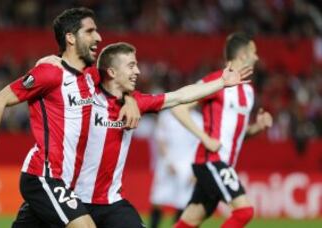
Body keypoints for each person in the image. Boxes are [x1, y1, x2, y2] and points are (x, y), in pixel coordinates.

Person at [38, 41, 252, 228]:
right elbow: (63, 73)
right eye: (131, 65)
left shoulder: (137, 102)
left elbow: (178, 97)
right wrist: (50, 61)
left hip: (111, 202)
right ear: (112, 72)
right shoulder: (83, 94)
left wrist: (221, 83)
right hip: (73, 199)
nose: (138, 71)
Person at [0, 7, 141, 228]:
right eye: (90, 31)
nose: (98, 37)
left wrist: (130, 100)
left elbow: (120, 84)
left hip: (67, 182)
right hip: (43, 175)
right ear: (70, 37)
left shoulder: (91, 76)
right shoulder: (49, 73)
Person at [172, 33, 273, 228]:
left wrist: (257, 128)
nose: (257, 57)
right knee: (244, 212)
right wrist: (205, 138)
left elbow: (238, 135)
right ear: (243, 55)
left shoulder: (248, 91)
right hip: (211, 160)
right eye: (254, 52)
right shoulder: (216, 81)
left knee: (189, 221)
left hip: (224, 164)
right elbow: (178, 108)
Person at [149, 109, 202, 228]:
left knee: (183, 203)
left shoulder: (199, 119)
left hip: (188, 167)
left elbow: (200, 145)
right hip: (167, 165)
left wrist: (196, 170)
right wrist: (168, 160)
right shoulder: (166, 115)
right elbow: (160, 139)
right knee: (158, 200)